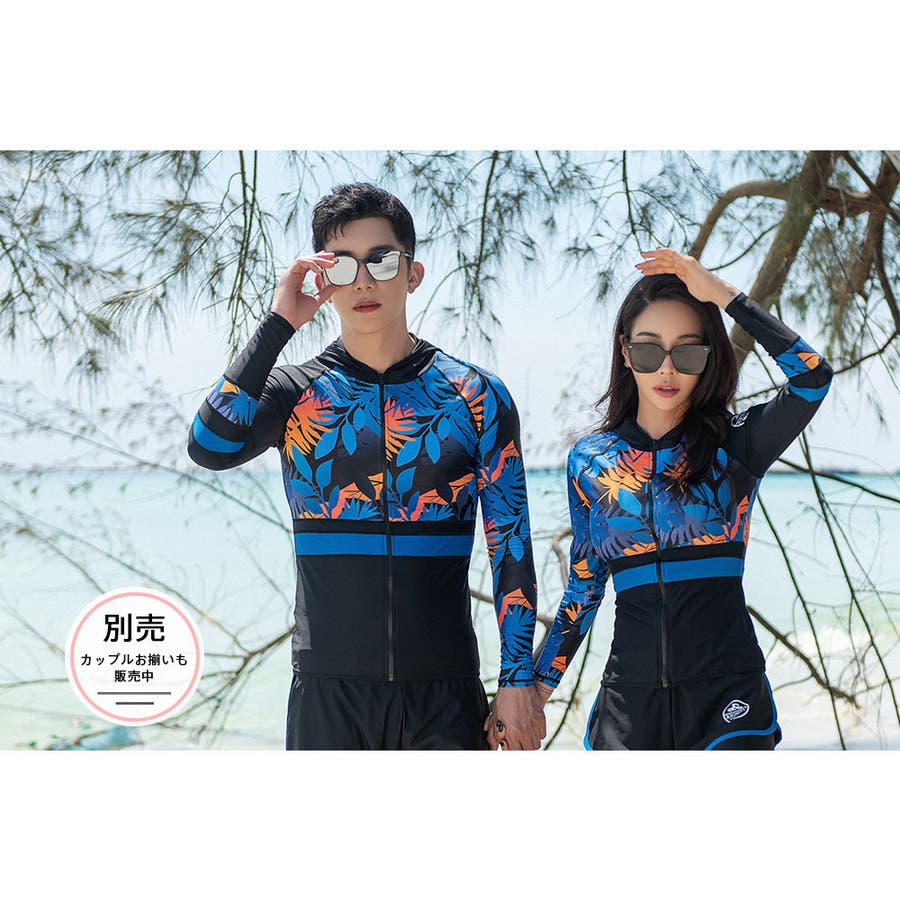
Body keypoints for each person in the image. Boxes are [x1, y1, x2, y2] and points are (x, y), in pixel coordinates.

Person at [188, 182, 545, 750]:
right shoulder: (294, 393)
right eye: (342, 264)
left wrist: (518, 680)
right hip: (327, 696)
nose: (362, 281)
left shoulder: (475, 396)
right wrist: (280, 324)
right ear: (322, 278)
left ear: (413, 273)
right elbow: (209, 445)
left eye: (381, 261)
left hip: (446, 693)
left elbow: (511, 548)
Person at [532, 248, 834, 750]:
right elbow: (583, 590)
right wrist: (535, 692)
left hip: (728, 703)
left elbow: (812, 378)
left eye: (688, 353)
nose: (667, 370)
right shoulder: (591, 461)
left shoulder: (735, 446)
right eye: (649, 352)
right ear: (625, 352)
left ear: (709, 357)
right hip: (628, 707)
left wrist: (723, 295)